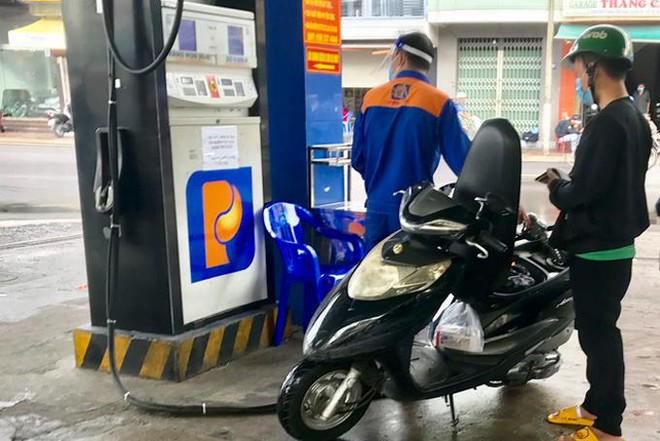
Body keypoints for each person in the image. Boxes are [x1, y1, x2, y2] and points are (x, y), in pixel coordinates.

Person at [540, 25, 652, 441]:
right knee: (595, 332)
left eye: (579, 66)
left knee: (600, 336)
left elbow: (582, 192)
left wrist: (556, 185)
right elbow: (609, 182)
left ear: (595, 67)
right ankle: (593, 406)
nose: (578, 76)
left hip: (597, 251)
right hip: (615, 246)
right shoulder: (635, 119)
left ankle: (608, 426)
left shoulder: (607, 123)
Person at [351, 32, 470, 250]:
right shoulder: (438, 102)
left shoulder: (370, 98)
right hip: (414, 213)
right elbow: (466, 164)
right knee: (412, 270)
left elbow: (357, 159)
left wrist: (379, 183)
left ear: (400, 57)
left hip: (377, 210)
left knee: (372, 268)